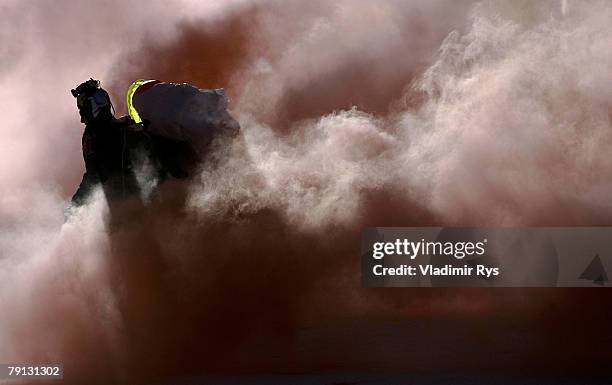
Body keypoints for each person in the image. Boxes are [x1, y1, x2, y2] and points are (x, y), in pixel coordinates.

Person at [69, 79, 154, 208]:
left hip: (122, 204)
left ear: (95, 104)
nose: (82, 115)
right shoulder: (123, 127)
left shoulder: (94, 135)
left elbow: (93, 175)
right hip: (135, 199)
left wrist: (76, 204)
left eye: (83, 107)